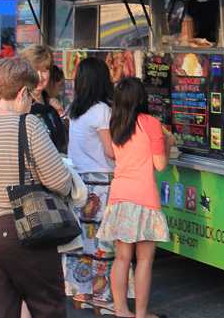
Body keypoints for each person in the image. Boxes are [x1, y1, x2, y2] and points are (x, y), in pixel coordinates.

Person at [0, 57, 73, 318]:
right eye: (31, 96)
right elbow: (59, 182)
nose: (31, 102)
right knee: (46, 304)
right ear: (22, 93)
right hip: (19, 228)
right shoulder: (28, 124)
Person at [97, 78, 171, 318]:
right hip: (144, 197)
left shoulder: (116, 124)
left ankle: (121, 310)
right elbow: (160, 165)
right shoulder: (150, 123)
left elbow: (112, 155)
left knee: (122, 257)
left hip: (119, 196)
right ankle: (141, 314)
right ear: (142, 99)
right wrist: (168, 143)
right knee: (145, 260)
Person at [63, 58, 117, 311]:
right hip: (101, 184)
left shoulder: (75, 109)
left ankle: (81, 292)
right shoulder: (102, 111)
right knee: (102, 243)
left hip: (79, 183)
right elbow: (111, 151)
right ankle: (102, 296)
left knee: (83, 241)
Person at [20, 45, 67, 154]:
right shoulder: (20, 105)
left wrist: (61, 114)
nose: (40, 77)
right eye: (35, 71)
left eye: (44, 71)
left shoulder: (51, 104)